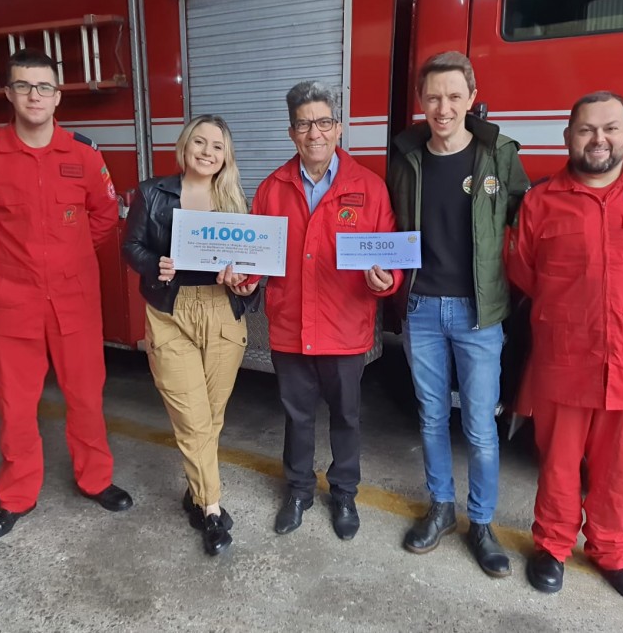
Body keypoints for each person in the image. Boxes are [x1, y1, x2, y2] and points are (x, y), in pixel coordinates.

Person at [507, 91, 623, 602]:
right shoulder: (543, 199)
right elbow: (523, 269)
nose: (598, 139)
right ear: (568, 137)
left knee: (618, 465)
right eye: (586, 129)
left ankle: (611, 552)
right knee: (560, 462)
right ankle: (552, 546)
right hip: (564, 357)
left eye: (610, 128)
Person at [0, 49, 133, 543]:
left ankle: (95, 480)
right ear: (9, 93)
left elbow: (103, 216)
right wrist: (16, 266)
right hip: (11, 303)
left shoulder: (83, 154)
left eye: (44, 87)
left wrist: (65, 257)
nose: (35, 95)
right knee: (15, 404)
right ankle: (16, 497)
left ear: (58, 97)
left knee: (85, 398)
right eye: (24, 86)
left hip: (74, 301)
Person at [386, 51, 529, 577]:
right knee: (429, 416)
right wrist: (384, 272)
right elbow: (391, 229)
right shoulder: (405, 157)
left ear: (472, 97)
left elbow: (527, 221)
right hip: (421, 308)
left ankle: (482, 523)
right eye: (432, 97)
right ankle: (441, 508)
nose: (442, 107)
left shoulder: (499, 154)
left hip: (479, 314)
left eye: (453, 96)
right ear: (421, 102)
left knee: (479, 426)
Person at [249, 81, 403, 540]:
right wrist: (245, 276)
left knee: (346, 417)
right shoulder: (272, 188)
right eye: (303, 124)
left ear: (338, 128)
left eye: (322, 122)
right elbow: (259, 257)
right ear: (292, 132)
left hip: (344, 328)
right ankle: (297, 490)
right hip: (291, 327)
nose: (313, 133)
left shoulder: (369, 188)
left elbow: (389, 256)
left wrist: (387, 281)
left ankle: (343, 493)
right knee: (296, 417)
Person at [121, 115, 258, 556]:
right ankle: (212, 510)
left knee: (212, 416)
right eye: (199, 142)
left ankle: (195, 489)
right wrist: (153, 265)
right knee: (194, 419)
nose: (206, 152)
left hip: (222, 311)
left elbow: (255, 261)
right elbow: (131, 246)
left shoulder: (236, 199)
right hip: (171, 312)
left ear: (226, 157)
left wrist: (248, 282)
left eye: (217, 146)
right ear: (185, 145)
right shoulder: (152, 192)